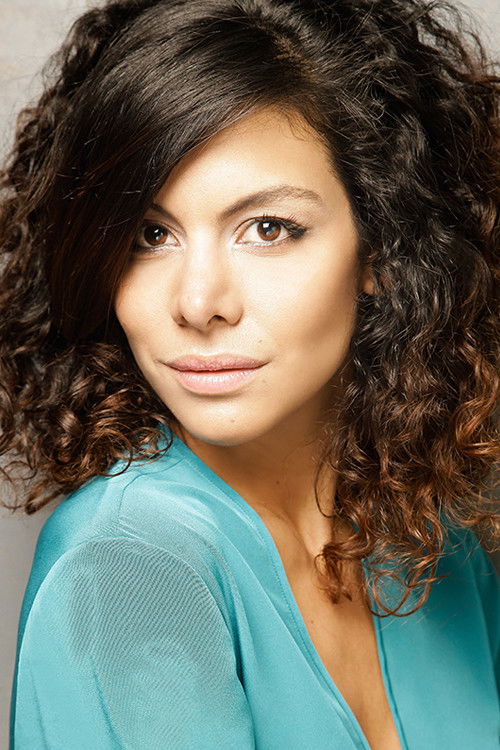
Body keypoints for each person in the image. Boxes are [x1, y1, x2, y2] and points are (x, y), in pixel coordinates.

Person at [1, 0, 498, 748]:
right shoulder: (130, 572)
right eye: (150, 235)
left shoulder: (432, 528)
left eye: (267, 229)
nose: (198, 303)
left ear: (383, 250)